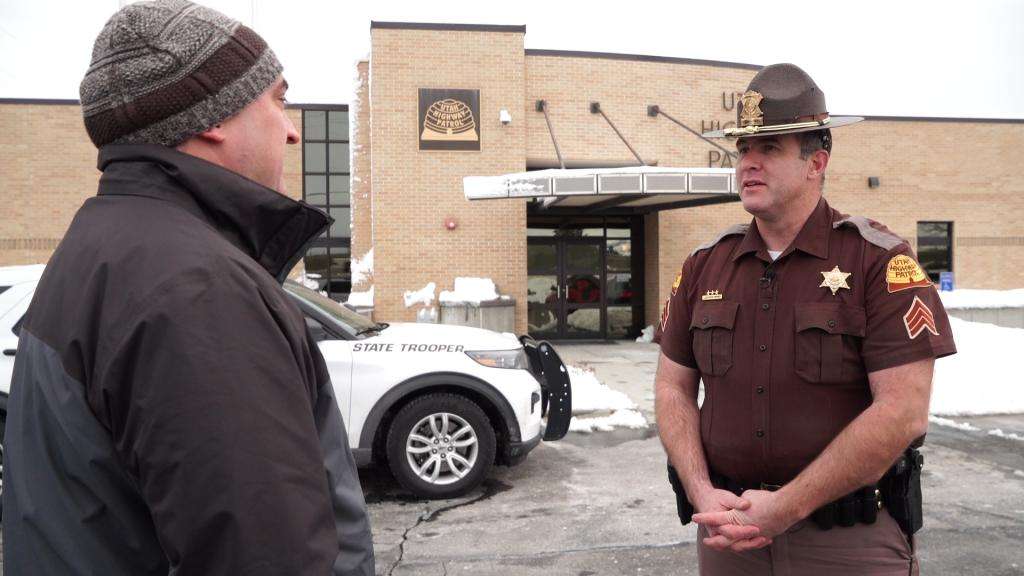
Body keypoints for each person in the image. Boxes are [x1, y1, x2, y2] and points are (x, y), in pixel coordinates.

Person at [3, 1, 375, 574]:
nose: (293, 128)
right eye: (278, 98)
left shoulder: (102, 247)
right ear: (212, 118)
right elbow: (262, 560)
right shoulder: (195, 289)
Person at [654, 63, 957, 575]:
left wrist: (788, 506)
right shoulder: (705, 264)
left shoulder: (877, 261)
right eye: (743, 149)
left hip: (845, 542)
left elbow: (904, 411)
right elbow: (671, 389)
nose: (748, 163)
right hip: (729, 536)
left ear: (816, 162)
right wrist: (701, 490)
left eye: (768, 149)